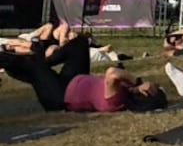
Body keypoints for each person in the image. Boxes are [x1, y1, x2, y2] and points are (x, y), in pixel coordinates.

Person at [0, 23, 166, 113]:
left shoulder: (118, 100)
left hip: (60, 97)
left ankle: (33, 60)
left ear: (145, 93)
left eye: (152, 88)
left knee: (33, 66)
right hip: (74, 79)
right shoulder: (127, 90)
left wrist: (139, 81)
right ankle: (41, 59)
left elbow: (112, 73)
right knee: (80, 44)